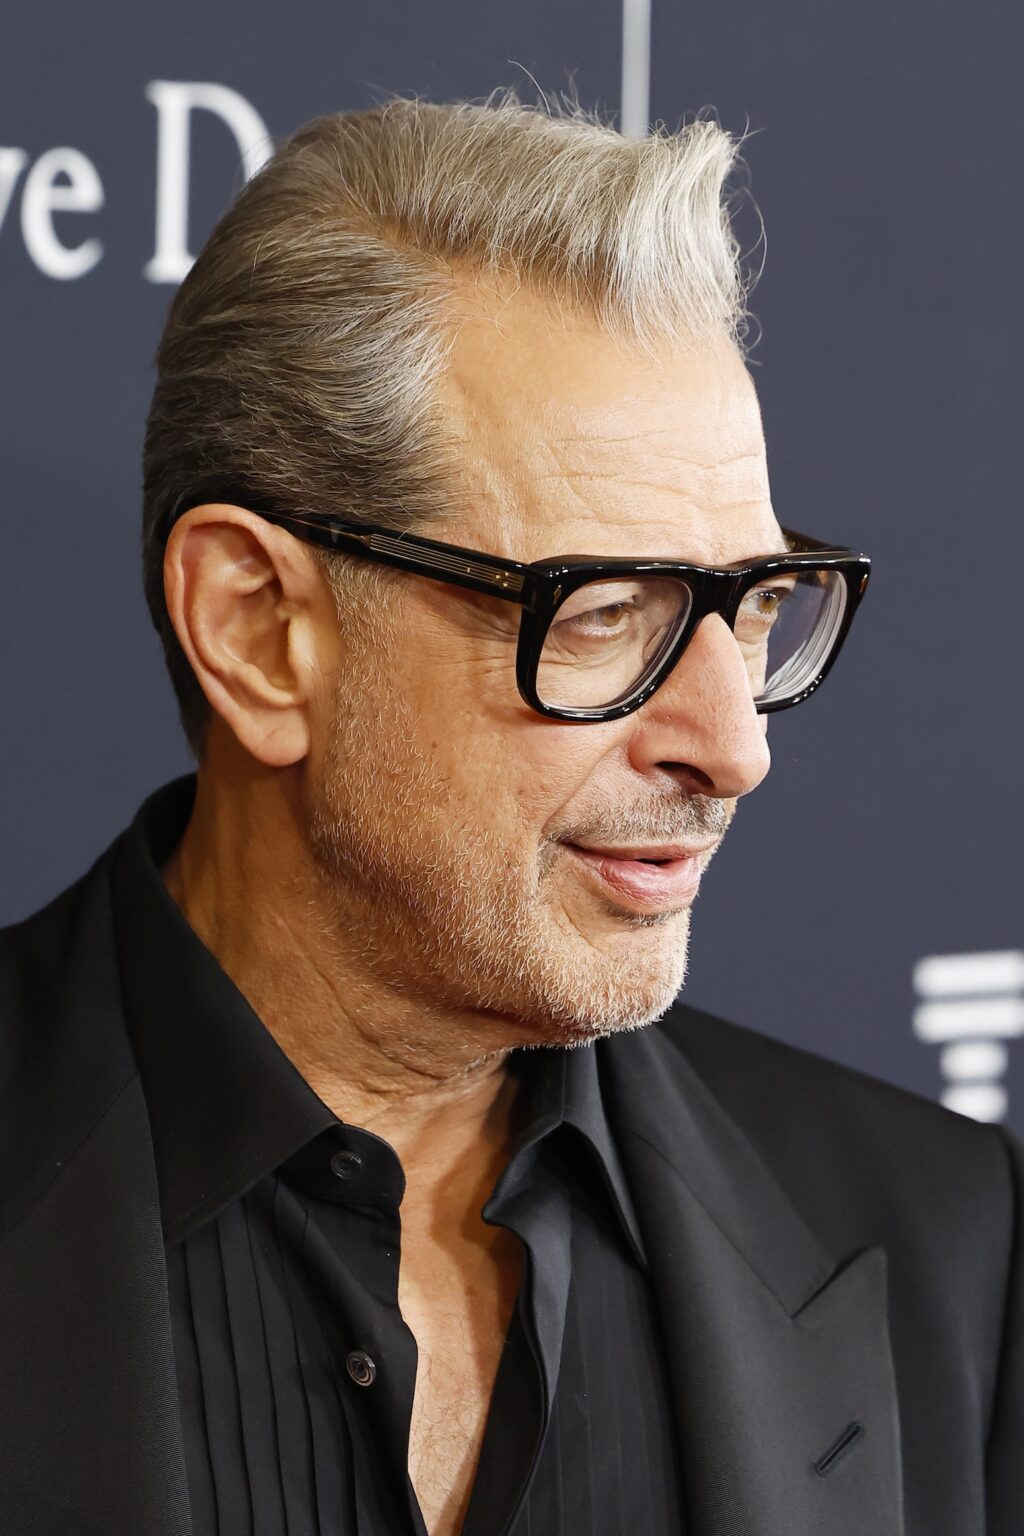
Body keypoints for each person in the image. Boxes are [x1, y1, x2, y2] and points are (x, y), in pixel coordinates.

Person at [0, 95, 1019, 1536]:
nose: (736, 750)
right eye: (605, 615)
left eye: (753, 608)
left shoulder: (942, 1241)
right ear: (258, 629)